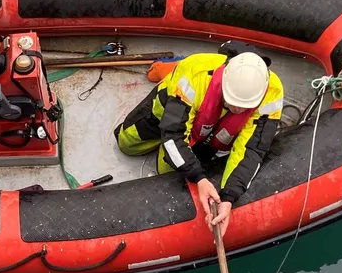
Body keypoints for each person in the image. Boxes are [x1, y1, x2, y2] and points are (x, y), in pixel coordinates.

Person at [113, 50, 284, 237]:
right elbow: (172, 135)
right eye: (233, 102)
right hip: (165, 113)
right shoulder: (194, 76)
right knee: (125, 143)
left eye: (244, 106)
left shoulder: (272, 93)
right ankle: (164, 72)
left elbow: (251, 150)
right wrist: (200, 177)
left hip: (214, 134)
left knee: (168, 171)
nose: (237, 109)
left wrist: (228, 197)